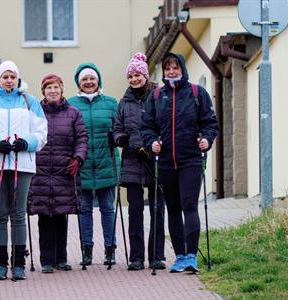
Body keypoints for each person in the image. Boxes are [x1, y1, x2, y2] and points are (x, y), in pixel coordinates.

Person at [141, 53, 219, 273]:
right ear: (163, 72)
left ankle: (192, 256)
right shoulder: (156, 96)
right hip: (165, 162)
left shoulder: (197, 93)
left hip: (191, 160)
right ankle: (180, 257)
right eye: (168, 68)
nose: (172, 71)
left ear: (182, 69)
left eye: (175, 67)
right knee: (173, 209)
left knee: (189, 205)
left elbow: (210, 123)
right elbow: (146, 126)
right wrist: (152, 142)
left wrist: (206, 139)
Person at [0, 60, 47, 280]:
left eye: (13, 76)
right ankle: (0, 263)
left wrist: (28, 143)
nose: (9, 80)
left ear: (18, 79)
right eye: (5, 76)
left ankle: (18, 264)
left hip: (22, 164)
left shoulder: (28, 101)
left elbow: (42, 131)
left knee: (18, 213)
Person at [27, 74, 88, 274]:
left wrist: (78, 158)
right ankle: (46, 260)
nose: (52, 91)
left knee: (61, 215)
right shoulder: (34, 113)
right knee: (44, 216)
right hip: (41, 170)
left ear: (62, 89)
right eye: (48, 88)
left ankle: (61, 258)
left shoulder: (73, 113)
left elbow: (81, 139)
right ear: (43, 91)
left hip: (64, 170)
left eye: (56, 87)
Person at [113, 52, 166, 271]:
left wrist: (157, 145)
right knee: (135, 210)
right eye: (131, 75)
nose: (134, 79)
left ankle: (156, 256)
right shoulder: (123, 103)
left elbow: (166, 125)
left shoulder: (159, 97)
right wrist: (120, 139)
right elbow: (116, 129)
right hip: (133, 160)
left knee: (157, 208)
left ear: (145, 75)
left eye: (138, 75)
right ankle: (136, 257)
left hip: (155, 159)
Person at [68, 62, 120, 266]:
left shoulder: (111, 103)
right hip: (82, 164)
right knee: (84, 209)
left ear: (98, 81)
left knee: (108, 208)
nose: (89, 82)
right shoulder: (71, 104)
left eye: (92, 79)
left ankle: (110, 249)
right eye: (84, 80)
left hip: (106, 162)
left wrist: (118, 137)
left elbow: (119, 127)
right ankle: (86, 249)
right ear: (78, 83)